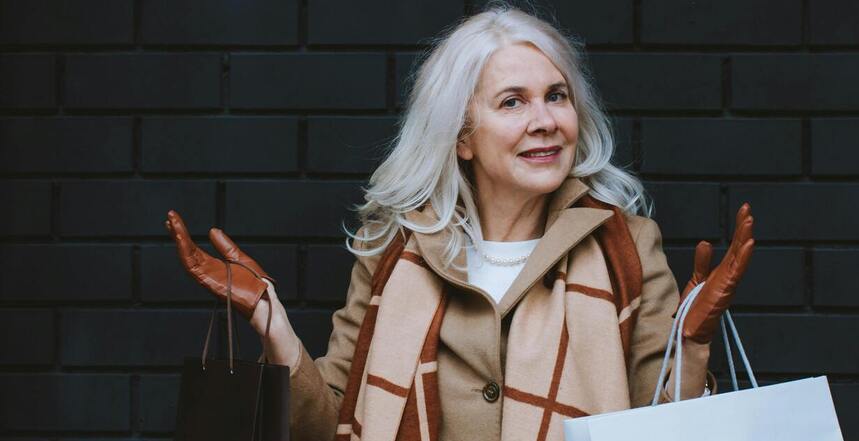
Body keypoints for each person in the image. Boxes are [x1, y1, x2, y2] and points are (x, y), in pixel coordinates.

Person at [164, 4, 755, 441]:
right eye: (513, 102)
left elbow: (662, 429)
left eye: (557, 96)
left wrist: (692, 344)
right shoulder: (393, 249)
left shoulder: (626, 246)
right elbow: (332, 423)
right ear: (462, 137)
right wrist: (272, 324)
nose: (545, 120)